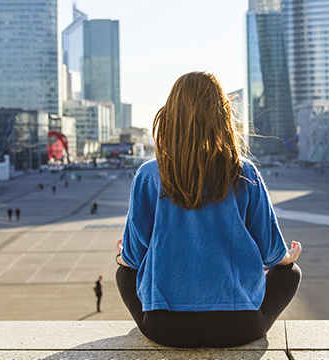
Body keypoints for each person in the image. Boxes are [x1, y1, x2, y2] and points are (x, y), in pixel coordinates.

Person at [115, 72, 302, 349]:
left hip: (164, 328)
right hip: (239, 327)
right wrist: (288, 258)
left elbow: (131, 258)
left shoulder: (149, 174)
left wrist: (123, 257)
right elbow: (272, 254)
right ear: (223, 116)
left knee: (123, 273)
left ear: (170, 115)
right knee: (291, 273)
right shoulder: (244, 172)